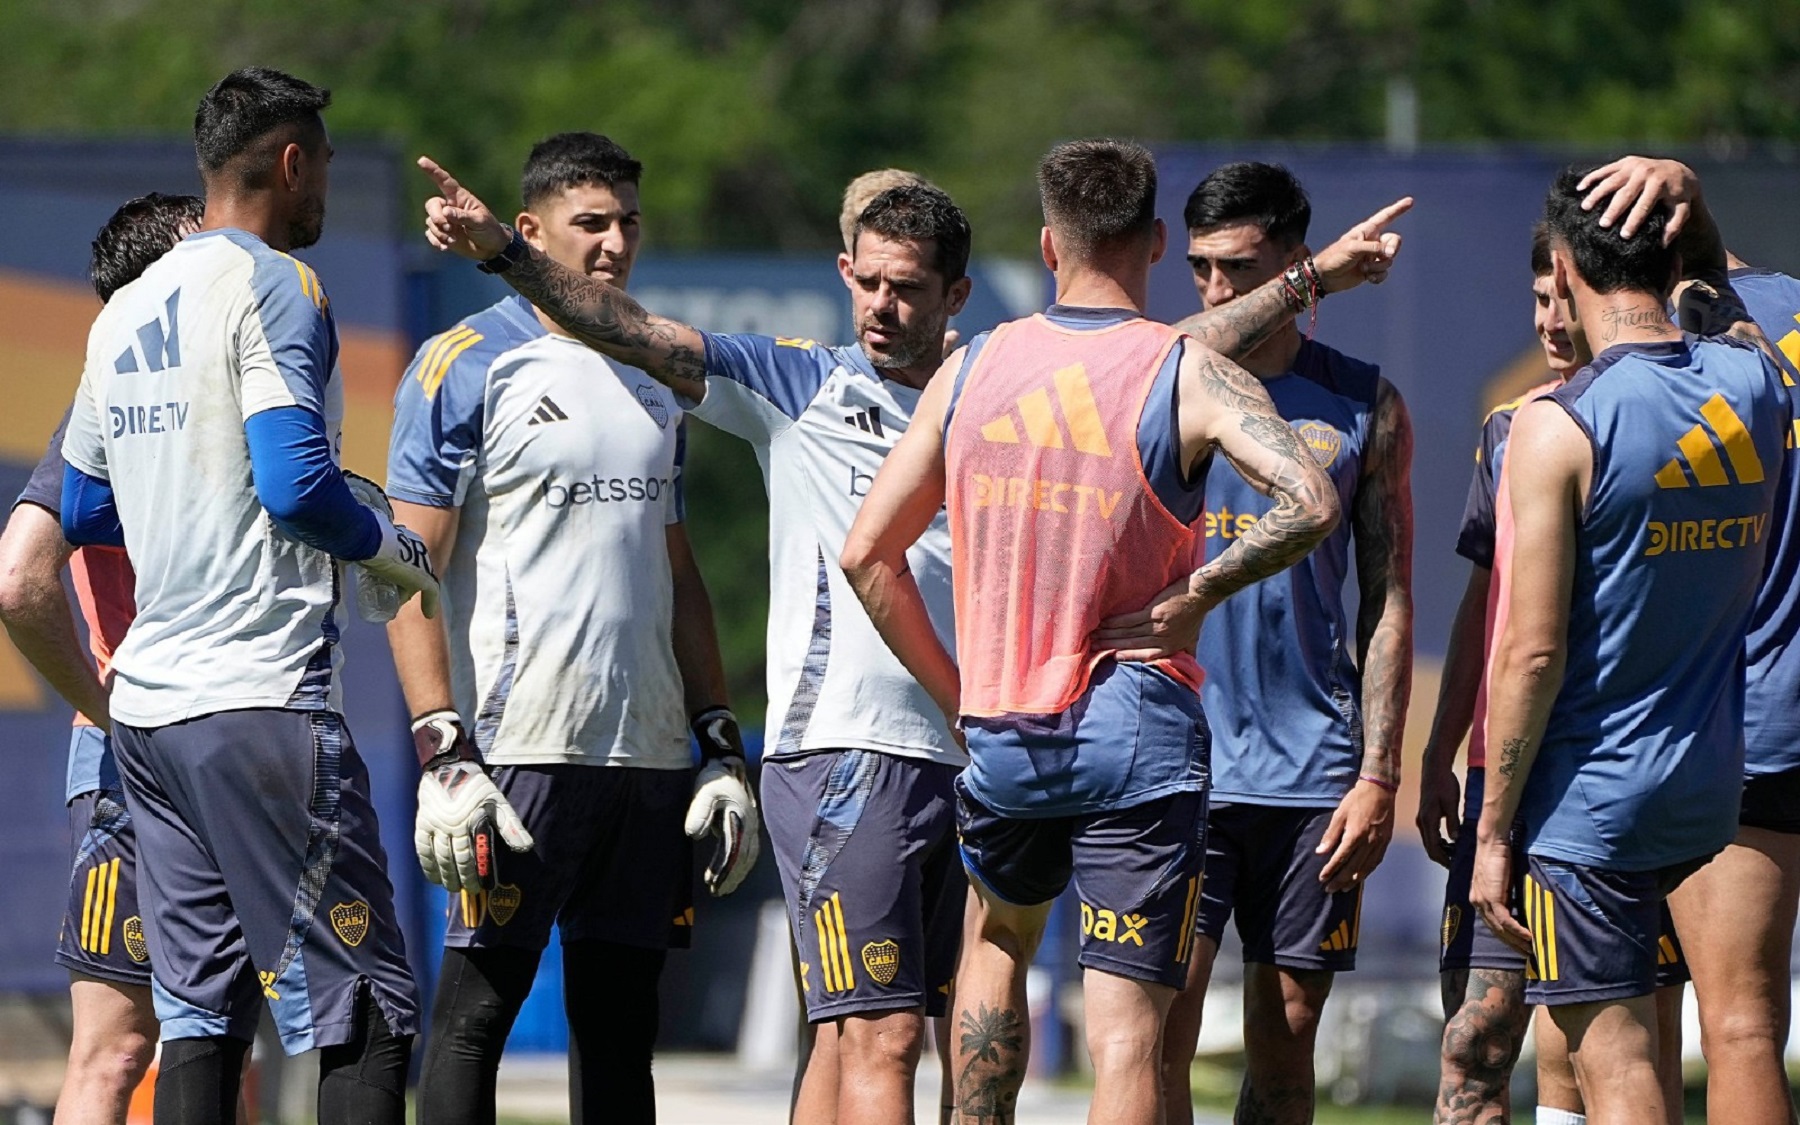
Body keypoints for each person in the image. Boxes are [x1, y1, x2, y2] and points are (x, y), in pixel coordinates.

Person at [839, 137, 1412, 1125]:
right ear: (1155, 241)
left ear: (1049, 248)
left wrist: (959, 697)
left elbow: (864, 559)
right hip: (1138, 736)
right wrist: (1195, 597)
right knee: (1131, 1035)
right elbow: (1312, 500)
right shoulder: (1180, 367)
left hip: (1008, 728)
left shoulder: (975, 368)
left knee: (995, 947)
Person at [57, 67, 439, 1125]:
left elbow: (85, 507)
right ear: (290, 161)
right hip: (258, 697)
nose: (317, 187)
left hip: (147, 720)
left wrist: (184, 484)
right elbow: (295, 484)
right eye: (315, 164)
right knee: (368, 1008)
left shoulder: (126, 308)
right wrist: (390, 548)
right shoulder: (276, 283)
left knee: (199, 1017)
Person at [385, 131, 753, 1125]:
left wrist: (718, 736)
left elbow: (675, 566)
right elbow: (401, 572)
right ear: (530, 228)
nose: (614, 242)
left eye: (629, 221)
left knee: (621, 1028)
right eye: (591, 222)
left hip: (645, 755)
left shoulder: (657, 364)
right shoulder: (463, 363)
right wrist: (442, 746)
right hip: (518, 752)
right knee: (476, 1015)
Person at [1471, 165, 1788, 1125]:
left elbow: (1529, 653)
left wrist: (1493, 830)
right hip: (1710, 782)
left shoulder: (1556, 423)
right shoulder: (1756, 380)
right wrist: (1693, 209)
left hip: (1592, 800)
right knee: (1742, 1026)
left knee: (1615, 1061)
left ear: (1561, 268)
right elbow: (1723, 305)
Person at [1156, 162, 1414, 1125]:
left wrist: (1377, 772)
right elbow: (1181, 342)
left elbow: (1388, 595)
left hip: (1312, 774)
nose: (1219, 290)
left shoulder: (1365, 404)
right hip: (1178, 760)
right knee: (1160, 1024)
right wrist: (1312, 281)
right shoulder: (1163, 379)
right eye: (1201, 270)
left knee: (1289, 1029)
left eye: (1240, 268)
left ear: (1291, 259)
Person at [1418, 218, 1690, 1125]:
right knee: (1476, 1036)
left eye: (1558, 297)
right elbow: (1483, 608)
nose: (1548, 319)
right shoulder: (1511, 428)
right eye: (1534, 300)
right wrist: (1442, 746)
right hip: (1508, 771)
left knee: (1611, 1037)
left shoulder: (1668, 416)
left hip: (1608, 771)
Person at [1575, 155, 1800, 1125]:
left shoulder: (1656, 369)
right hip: (1772, 709)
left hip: (1719, 721)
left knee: (1721, 1025)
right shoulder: (1781, 323)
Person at [0, 192, 201, 1125]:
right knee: (117, 1048)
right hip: (135, 759)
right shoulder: (107, 418)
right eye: (208, 259)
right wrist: (109, 712)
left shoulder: (251, 394)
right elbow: (19, 581)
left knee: (221, 1046)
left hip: (244, 741)